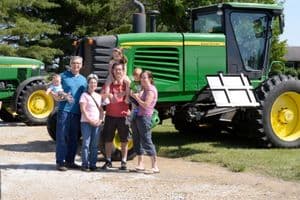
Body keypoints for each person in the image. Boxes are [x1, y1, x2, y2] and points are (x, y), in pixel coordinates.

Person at [56, 56, 87, 171]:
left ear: (81, 65)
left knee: (74, 138)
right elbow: (55, 88)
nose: (76, 65)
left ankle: (70, 161)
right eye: (74, 63)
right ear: (70, 64)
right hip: (64, 110)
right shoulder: (63, 76)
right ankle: (60, 162)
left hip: (77, 112)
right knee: (62, 137)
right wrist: (63, 94)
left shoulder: (84, 80)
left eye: (78, 63)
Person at [101, 62, 130, 170]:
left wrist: (127, 90)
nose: (118, 71)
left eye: (120, 70)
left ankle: (124, 162)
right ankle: (108, 161)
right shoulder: (109, 84)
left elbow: (133, 98)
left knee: (124, 140)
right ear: (113, 71)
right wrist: (108, 95)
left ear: (123, 71)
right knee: (108, 139)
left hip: (123, 116)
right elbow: (101, 96)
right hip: (110, 116)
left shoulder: (127, 84)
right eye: (116, 69)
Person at [131, 70, 159, 173]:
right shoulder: (144, 89)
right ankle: (140, 164)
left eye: (145, 77)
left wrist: (136, 97)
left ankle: (155, 166)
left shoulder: (151, 90)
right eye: (141, 77)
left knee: (147, 140)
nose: (142, 79)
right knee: (137, 139)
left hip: (145, 117)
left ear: (150, 79)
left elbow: (146, 105)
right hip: (137, 116)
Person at [79, 74, 104, 172]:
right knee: (86, 143)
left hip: (97, 123)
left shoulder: (98, 96)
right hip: (86, 122)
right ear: (88, 84)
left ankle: (93, 164)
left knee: (94, 145)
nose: (93, 84)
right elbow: (83, 110)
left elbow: (101, 110)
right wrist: (90, 120)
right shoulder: (84, 95)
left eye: (95, 83)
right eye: (91, 82)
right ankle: (85, 164)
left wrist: (100, 120)